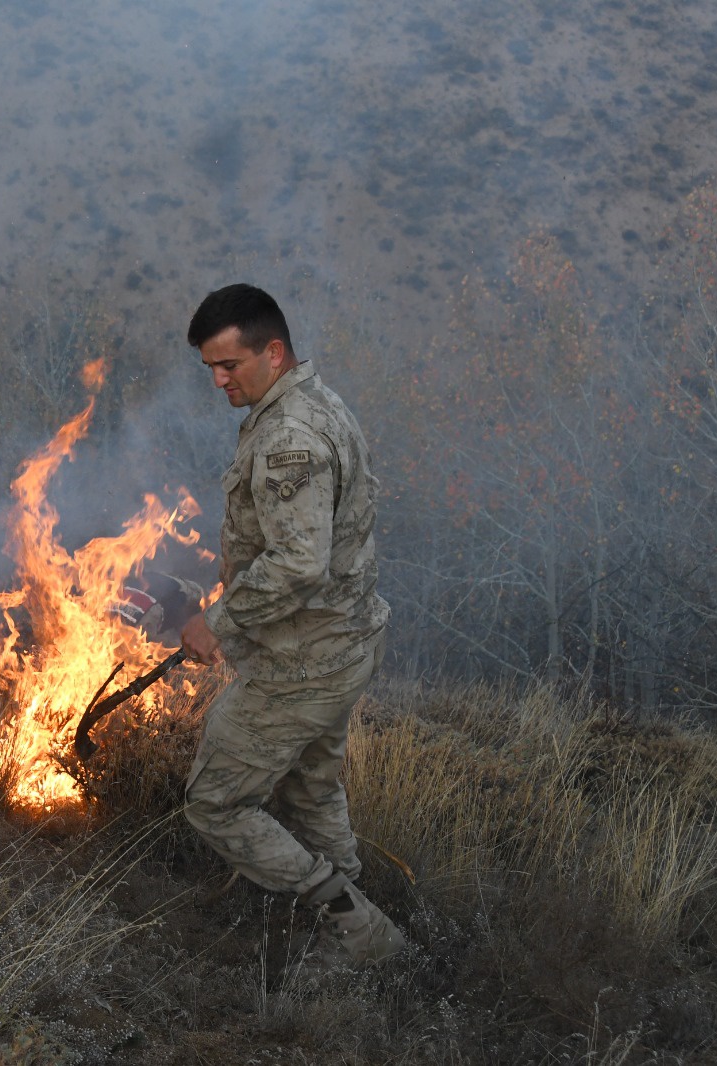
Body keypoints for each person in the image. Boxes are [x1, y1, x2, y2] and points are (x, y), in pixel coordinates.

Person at [178, 283, 406, 969]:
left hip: (304, 660)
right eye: (209, 368)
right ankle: (352, 913)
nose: (218, 381)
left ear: (273, 352)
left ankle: (352, 925)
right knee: (310, 785)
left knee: (214, 803)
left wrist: (219, 621)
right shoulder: (311, 401)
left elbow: (300, 563)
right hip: (343, 643)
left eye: (230, 365)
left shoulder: (288, 436)